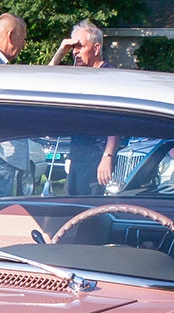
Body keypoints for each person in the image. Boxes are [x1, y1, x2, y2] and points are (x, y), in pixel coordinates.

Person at [50, 20, 116, 195]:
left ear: (96, 48)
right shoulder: (78, 74)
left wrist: (107, 157)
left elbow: (117, 119)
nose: (75, 52)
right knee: (70, 208)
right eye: (73, 48)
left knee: (88, 213)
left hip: (97, 156)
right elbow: (46, 80)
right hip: (77, 154)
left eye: (80, 47)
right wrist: (60, 52)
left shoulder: (110, 75)